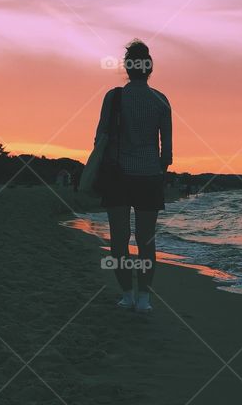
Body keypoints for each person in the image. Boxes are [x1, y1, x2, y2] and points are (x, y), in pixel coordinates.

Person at [95, 39, 172, 313]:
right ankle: (144, 300)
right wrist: (160, 172)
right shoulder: (161, 101)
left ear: (127, 68)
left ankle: (126, 294)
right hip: (149, 176)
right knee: (146, 240)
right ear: (149, 69)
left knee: (119, 240)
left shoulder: (114, 97)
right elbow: (167, 153)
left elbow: (100, 137)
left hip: (117, 175)